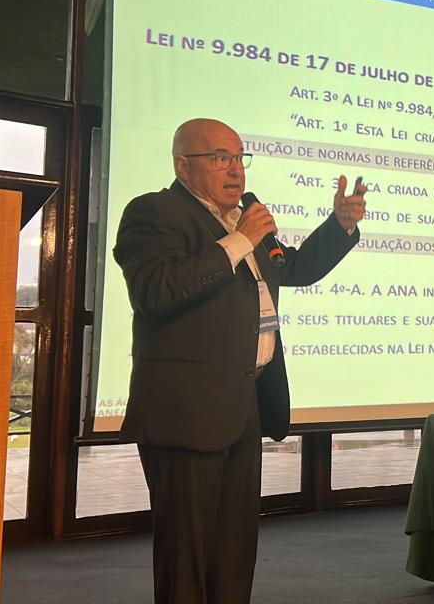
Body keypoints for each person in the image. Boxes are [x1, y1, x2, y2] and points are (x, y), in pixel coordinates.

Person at [113, 117, 365, 603]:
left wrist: (340, 226)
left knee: (234, 550)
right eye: (219, 158)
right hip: (185, 411)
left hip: (243, 402)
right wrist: (238, 241)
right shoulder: (154, 212)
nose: (235, 170)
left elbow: (293, 267)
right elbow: (155, 290)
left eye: (239, 157)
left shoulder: (246, 218)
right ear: (183, 165)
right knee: (186, 555)